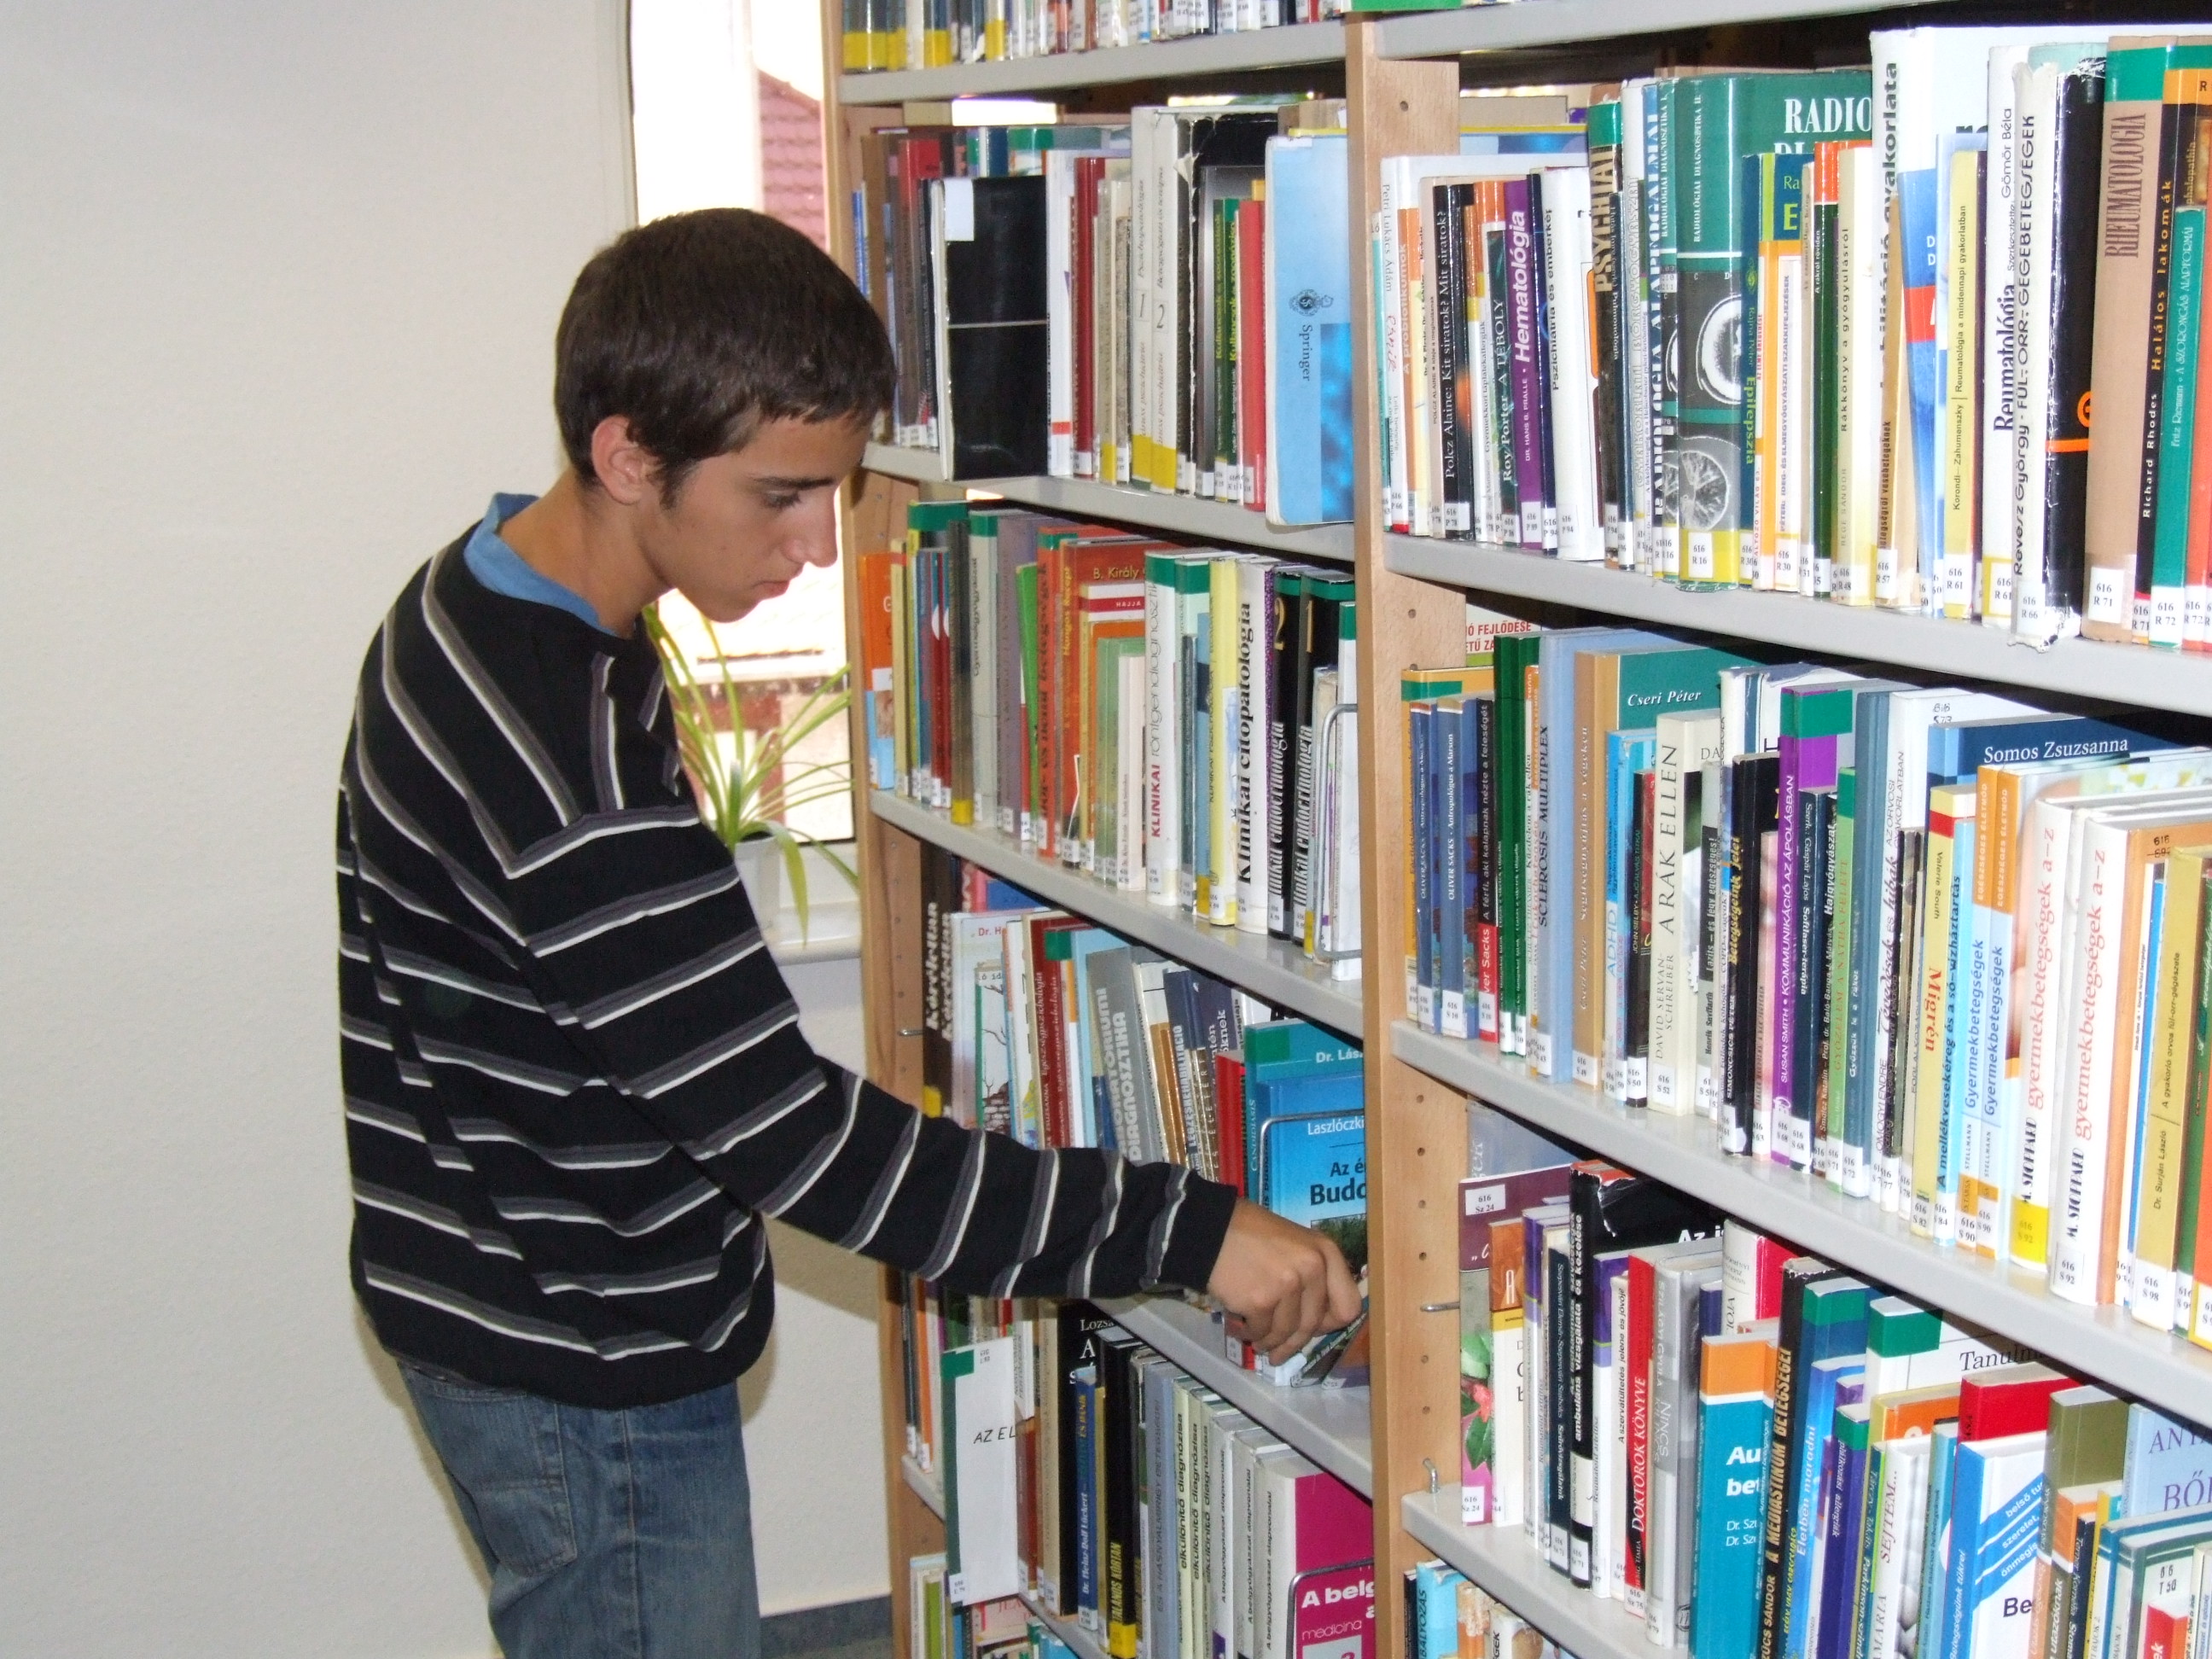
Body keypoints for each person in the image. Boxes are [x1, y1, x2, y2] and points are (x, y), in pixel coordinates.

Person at [336, 207, 1360, 1659]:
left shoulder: (479, 596)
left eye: (838, 488)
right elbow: (803, 1147)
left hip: (506, 1295)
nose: (820, 545)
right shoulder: (566, 766)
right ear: (627, 457)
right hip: (579, 1366)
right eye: (780, 496)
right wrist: (1188, 1228)